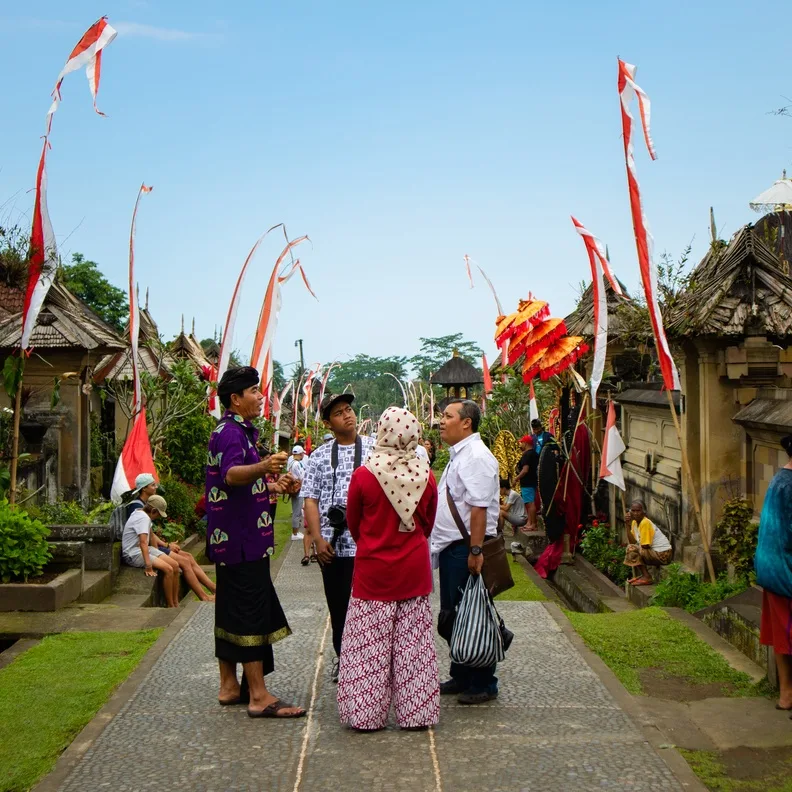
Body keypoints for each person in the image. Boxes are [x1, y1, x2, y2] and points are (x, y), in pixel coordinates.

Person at [206, 365, 304, 719]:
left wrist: (273, 485)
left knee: (231, 608)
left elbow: (235, 483)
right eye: (254, 392)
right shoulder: (231, 432)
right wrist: (264, 467)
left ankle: (230, 686)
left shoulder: (235, 431)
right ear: (235, 399)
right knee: (250, 612)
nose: (261, 397)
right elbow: (232, 475)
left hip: (235, 539)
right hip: (242, 541)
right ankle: (258, 696)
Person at [338, 407, 440, 731]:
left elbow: (354, 525)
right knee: (415, 649)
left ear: (382, 432)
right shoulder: (426, 475)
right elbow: (428, 524)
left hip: (373, 575)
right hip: (414, 571)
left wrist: (374, 542)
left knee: (369, 649)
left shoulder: (364, 476)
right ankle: (417, 714)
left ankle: (366, 716)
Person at [301, 393, 376, 682]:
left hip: (368, 545)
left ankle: (371, 662)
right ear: (327, 424)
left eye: (349, 409)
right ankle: (344, 661)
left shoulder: (373, 449)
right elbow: (310, 499)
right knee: (339, 606)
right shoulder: (319, 456)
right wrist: (317, 539)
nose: (347, 415)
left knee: (371, 607)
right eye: (338, 413)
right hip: (333, 546)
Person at [431, 399, 500, 705]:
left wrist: (475, 550)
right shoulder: (460, 455)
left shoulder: (475, 456)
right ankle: (461, 673)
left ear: (467, 423)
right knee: (454, 615)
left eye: (448, 416)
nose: (441, 421)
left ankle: (484, 682)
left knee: (472, 614)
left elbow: (479, 508)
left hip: (466, 548)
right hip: (452, 548)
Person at [128, 471, 217, 601]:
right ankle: (203, 596)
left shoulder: (147, 504)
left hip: (151, 546)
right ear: (144, 489)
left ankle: (213, 588)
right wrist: (160, 551)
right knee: (184, 562)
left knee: (188, 556)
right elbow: (145, 536)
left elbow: (151, 533)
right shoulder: (139, 507)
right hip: (142, 548)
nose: (156, 487)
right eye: (152, 485)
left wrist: (166, 545)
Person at [754, 435, 792, 714]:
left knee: (783, 633)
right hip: (785, 570)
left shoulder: (778, 480)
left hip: (771, 568)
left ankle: (786, 693)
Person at [121, 495, 180, 608]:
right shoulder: (143, 518)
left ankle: (176, 602)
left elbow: (151, 536)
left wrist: (158, 554)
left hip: (142, 549)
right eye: (158, 514)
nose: (158, 517)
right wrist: (149, 566)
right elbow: (143, 542)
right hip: (132, 553)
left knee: (175, 566)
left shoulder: (140, 512)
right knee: (168, 569)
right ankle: (171, 605)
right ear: (153, 511)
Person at [623, 500, 673, 586]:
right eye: (633, 511)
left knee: (632, 550)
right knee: (632, 547)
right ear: (630, 512)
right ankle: (644, 575)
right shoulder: (634, 522)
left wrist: (635, 548)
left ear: (644, 512)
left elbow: (645, 546)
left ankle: (647, 577)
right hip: (655, 552)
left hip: (664, 554)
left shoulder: (645, 522)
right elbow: (632, 541)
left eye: (638, 511)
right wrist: (627, 524)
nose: (635, 513)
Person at [516, 434, 539, 530]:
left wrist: (516, 478)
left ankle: (533, 524)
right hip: (532, 481)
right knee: (528, 503)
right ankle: (530, 522)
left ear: (525, 443)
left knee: (530, 503)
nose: (520, 445)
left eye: (521, 443)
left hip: (527, 482)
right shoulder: (534, 453)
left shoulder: (527, 455)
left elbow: (525, 469)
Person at [287, 445, 307, 543]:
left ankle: (296, 532)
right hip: (298, 489)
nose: (303, 454)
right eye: (302, 453)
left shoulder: (291, 462)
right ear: (299, 454)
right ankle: (294, 533)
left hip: (295, 489)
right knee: (297, 511)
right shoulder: (296, 464)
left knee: (297, 510)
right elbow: (301, 477)